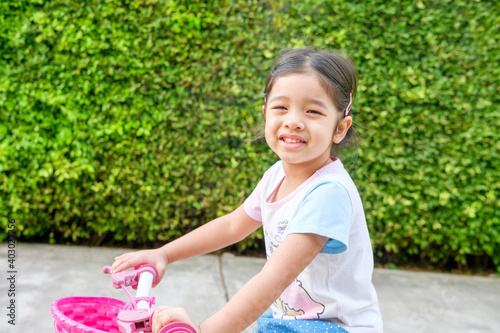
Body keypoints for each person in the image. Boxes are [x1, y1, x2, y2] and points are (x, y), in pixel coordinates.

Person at [111, 47, 383, 333]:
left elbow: (273, 279)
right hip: (288, 323)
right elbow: (232, 226)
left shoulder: (329, 193)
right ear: (266, 114)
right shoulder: (276, 175)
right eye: (281, 107)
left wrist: (204, 331)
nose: (292, 120)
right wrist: (164, 254)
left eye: (313, 111)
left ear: (340, 128)